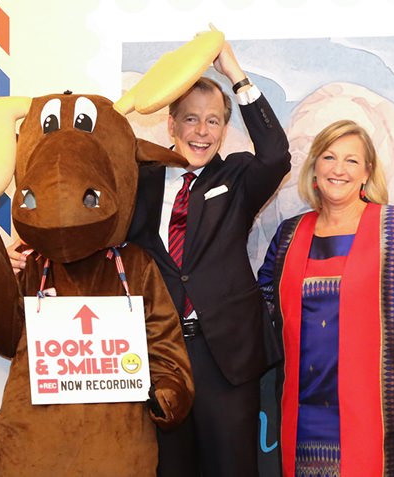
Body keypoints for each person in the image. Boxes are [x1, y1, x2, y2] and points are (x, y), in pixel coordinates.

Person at [126, 42, 291, 477]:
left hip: (226, 358)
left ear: (223, 129)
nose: (202, 131)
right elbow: (95, 229)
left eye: (213, 120)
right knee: (169, 468)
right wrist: (26, 252)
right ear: (172, 124)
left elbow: (275, 154)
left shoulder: (235, 177)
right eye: (192, 118)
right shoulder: (139, 181)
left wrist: (234, 72)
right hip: (160, 355)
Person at [257, 119, 394, 476]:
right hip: (303, 415)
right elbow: (262, 302)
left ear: (366, 173)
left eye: (351, 160)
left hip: (378, 412)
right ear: (314, 169)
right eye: (328, 157)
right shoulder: (288, 235)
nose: (338, 169)